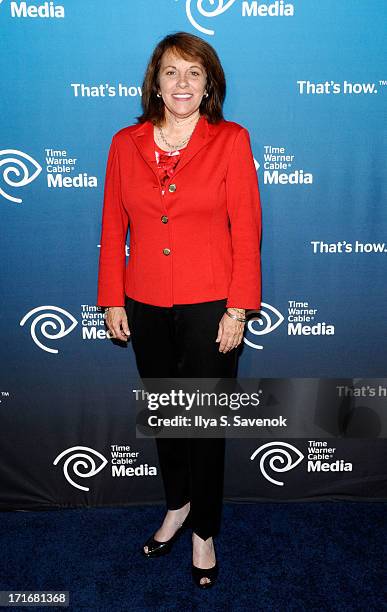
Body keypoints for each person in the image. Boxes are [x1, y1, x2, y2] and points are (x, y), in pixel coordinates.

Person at [96, 31, 262, 589]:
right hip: (143, 304)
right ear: (156, 83)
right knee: (168, 417)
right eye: (172, 72)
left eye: (194, 72)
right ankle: (176, 505)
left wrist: (238, 308)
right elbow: (111, 226)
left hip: (210, 304)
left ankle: (204, 529)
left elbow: (247, 229)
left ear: (209, 83)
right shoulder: (125, 144)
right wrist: (112, 297)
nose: (183, 82)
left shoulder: (231, 140)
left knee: (204, 423)